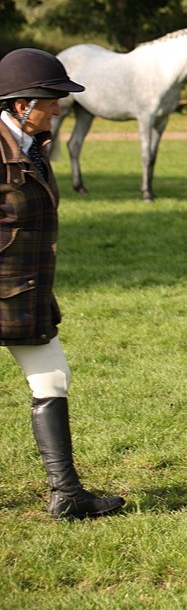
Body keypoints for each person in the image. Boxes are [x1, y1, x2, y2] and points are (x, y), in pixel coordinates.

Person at [0, 48, 125, 519]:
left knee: (52, 378)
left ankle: (67, 494)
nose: (57, 109)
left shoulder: (33, 146)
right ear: (21, 105)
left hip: (24, 293)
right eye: (51, 101)